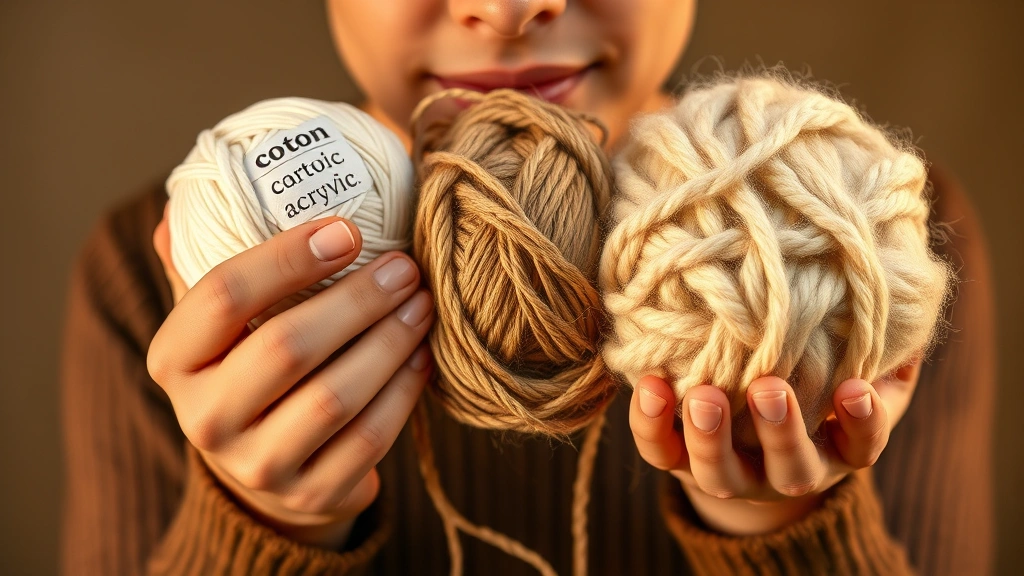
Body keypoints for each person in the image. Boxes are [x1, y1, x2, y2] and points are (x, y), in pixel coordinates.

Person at [60, 1, 995, 574]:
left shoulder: (859, 244)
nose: (508, 9)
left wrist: (785, 530)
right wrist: (264, 529)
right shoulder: (171, 281)